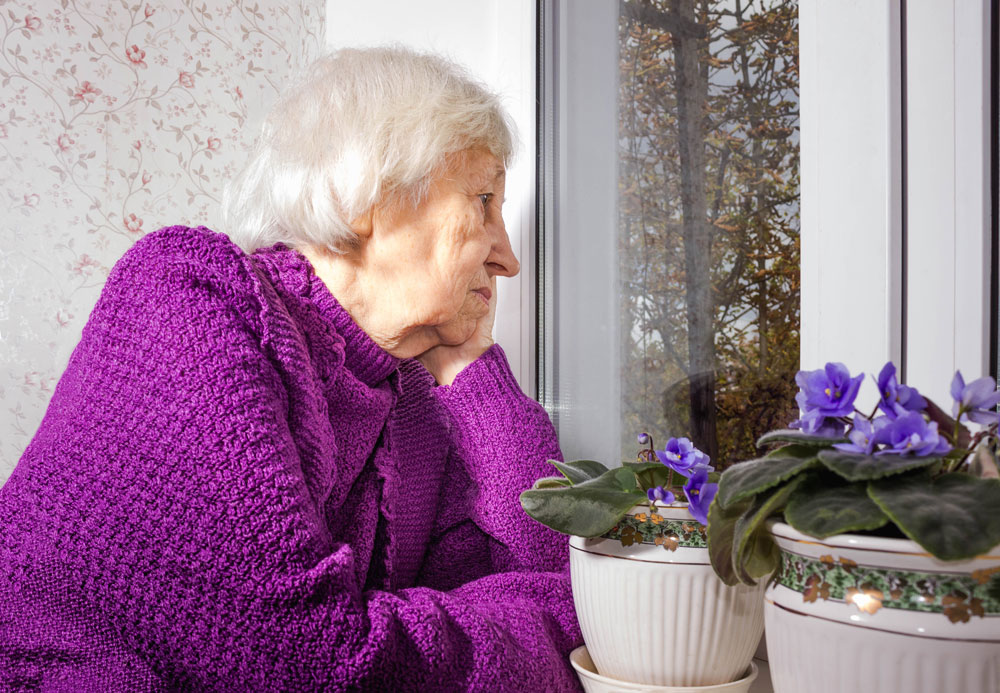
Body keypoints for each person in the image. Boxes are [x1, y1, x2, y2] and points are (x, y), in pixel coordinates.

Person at [0, 46, 582, 691]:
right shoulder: (188, 296)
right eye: (483, 201)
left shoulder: (409, 398)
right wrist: (540, 625)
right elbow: (303, 661)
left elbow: (550, 572)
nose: (507, 259)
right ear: (367, 195)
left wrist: (474, 371)